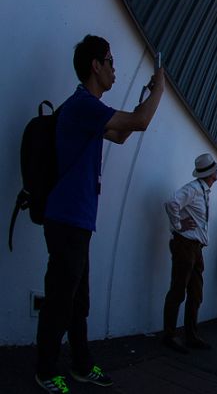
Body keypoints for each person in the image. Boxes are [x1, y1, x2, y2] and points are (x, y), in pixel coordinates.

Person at [35, 35, 164, 392]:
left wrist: (145, 96)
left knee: (78, 300)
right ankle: (45, 371)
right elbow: (139, 123)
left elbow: (121, 135)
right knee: (62, 299)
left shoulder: (87, 113)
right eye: (110, 61)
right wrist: (160, 89)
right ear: (95, 65)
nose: (114, 70)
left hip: (76, 220)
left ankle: (80, 364)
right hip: (67, 218)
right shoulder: (82, 106)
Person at [162, 153, 217, 353]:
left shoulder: (203, 191)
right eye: (216, 169)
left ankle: (191, 335)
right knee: (178, 291)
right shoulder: (194, 189)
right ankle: (169, 336)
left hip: (195, 248)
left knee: (195, 294)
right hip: (185, 245)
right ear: (212, 173)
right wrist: (178, 225)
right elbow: (171, 203)